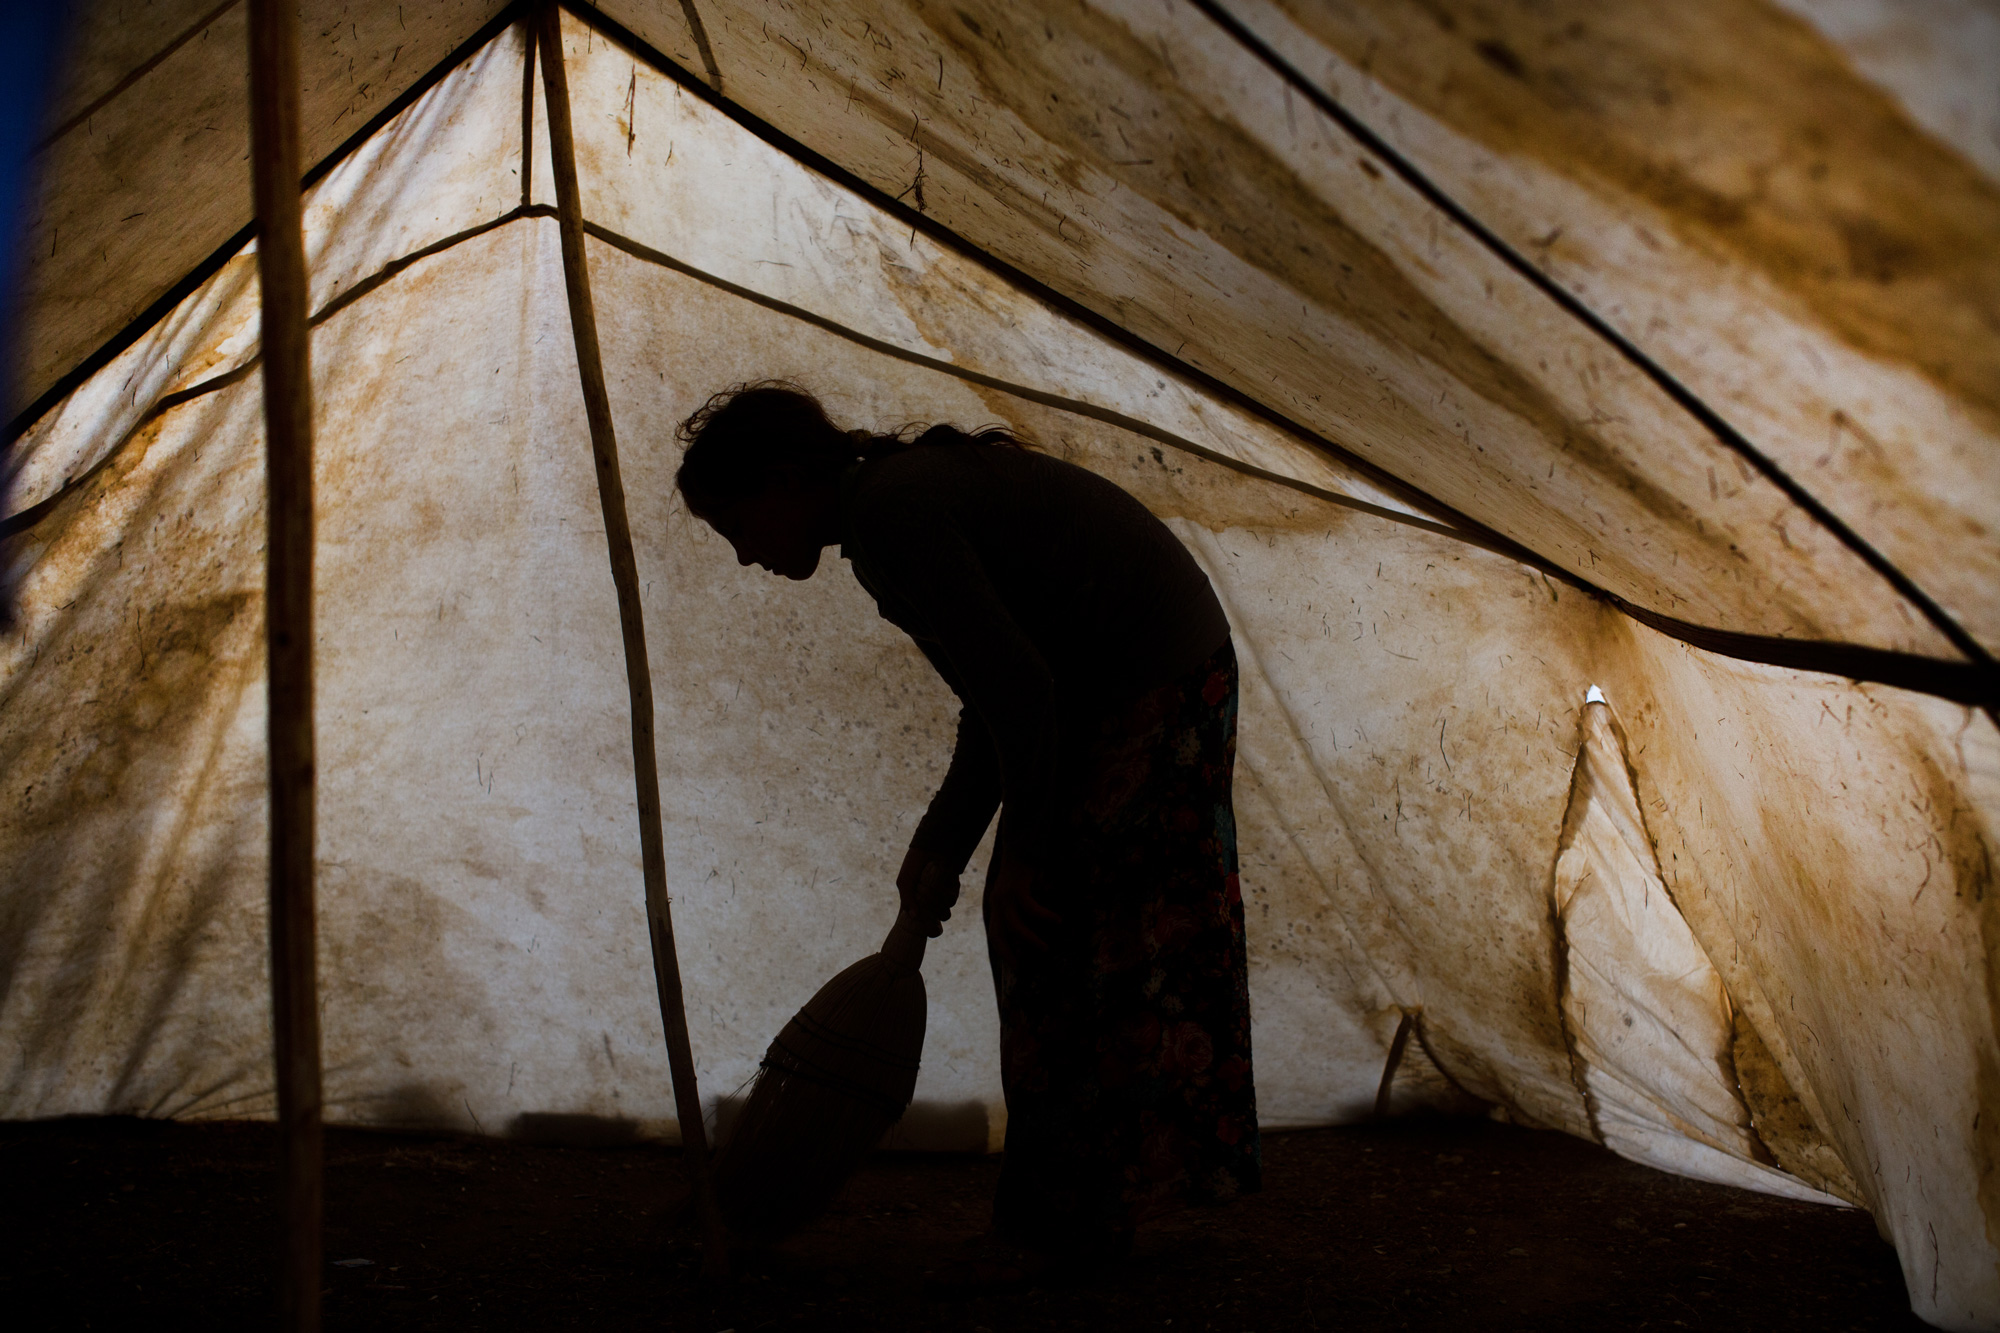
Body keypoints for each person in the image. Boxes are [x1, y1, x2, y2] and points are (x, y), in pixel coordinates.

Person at [675, 381, 1259, 1280]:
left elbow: (1024, 695)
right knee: (1054, 931)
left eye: (735, 527)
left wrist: (1020, 851)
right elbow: (998, 700)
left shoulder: (892, 514)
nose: (746, 557)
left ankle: (1076, 1217)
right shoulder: (885, 510)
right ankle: (1070, 1214)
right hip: (1132, 680)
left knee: (1061, 928)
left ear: (785, 480)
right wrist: (942, 843)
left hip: (1151, 681)